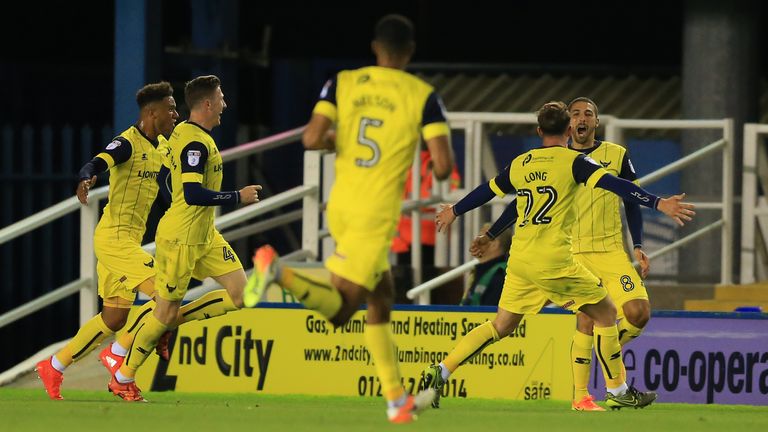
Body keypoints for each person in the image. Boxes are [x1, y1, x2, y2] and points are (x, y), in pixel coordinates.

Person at [245, 15, 454, 424]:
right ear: (409, 52)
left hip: (341, 202)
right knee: (342, 311)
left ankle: (396, 401)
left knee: (381, 298)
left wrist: (337, 139)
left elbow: (310, 138)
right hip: (375, 214)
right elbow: (444, 167)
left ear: (375, 47)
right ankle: (277, 270)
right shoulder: (423, 95)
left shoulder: (342, 81)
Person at [420, 101, 694, 410]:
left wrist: (454, 210)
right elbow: (618, 186)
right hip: (555, 260)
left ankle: (441, 370)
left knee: (502, 325)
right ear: (567, 130)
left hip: (521, 261)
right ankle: (618, 391)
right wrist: (659, 203)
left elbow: (488, 190)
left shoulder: (522, 163)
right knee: (605, 313)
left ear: (539, 131)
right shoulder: (574, 162)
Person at [469, 97, 655, 411]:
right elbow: (521, 203)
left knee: (638, 313)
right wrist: (491, 233)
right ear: (569, 124)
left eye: (589, 114)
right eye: (577, 113)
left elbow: (631, 199)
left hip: (611, 252)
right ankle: (582, 396)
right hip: (572, 252)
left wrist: (637, 243)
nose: (582, 118)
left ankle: (605, 356)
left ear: (596, 122)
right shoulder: (556, 159)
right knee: (588, 320)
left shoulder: (616, 155)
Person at [106, 75, 262, 401]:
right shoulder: (194, 143)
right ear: (207, 104)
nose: (225, 105)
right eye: (221, 99)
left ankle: (168, 321)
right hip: (181, 241)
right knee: (163, 313)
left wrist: (179, 204)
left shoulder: (183, 134)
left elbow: (166, 179)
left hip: (205, 235)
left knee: (243, 294)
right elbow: (191, 193)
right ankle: (123, 373)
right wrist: (237, 196)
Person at [35, 82, 179, 400]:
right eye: (170, 108)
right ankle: (118, 354)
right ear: (152, 112)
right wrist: (87, 176)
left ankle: (54, 365)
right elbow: (98, 162)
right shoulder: (127, 143)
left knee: (114, 317)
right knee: (166, 295)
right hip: (115, 240)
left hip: (127, 241)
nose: (175, 113)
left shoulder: (161, 148)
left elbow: (165, 195)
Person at [460, 224, 511, 306]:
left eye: (480, 237)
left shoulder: (501, 276)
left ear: (494, 244)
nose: (474, 241)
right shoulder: (479, 272)